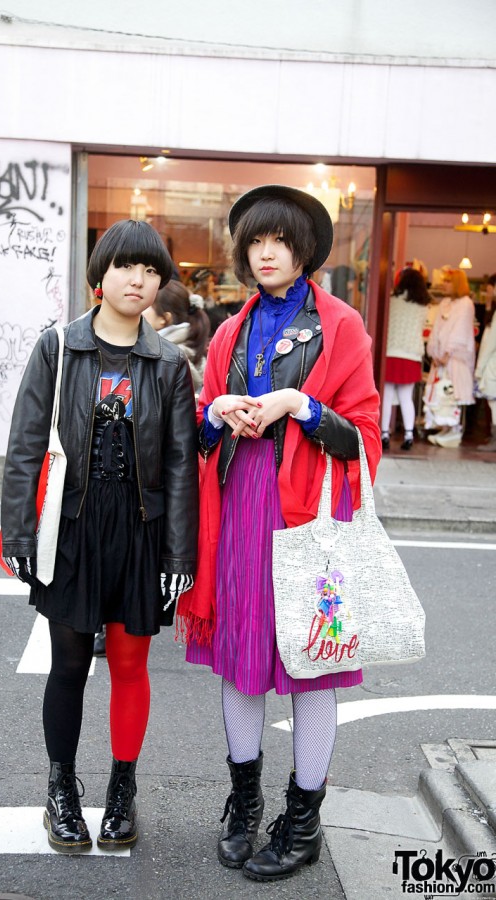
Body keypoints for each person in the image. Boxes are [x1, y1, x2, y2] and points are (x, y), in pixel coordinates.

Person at [177, 185, 380, 882]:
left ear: (304, 252)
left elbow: (364, 438)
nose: (266, 252)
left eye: (281, 241)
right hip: (237, 509)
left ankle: (303, 819)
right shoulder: (229, 329)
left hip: (310, 517)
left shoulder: (341, 325)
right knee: (240, 658)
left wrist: (300, 404)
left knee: (310, 661)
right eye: (256, 241)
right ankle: (243, 801)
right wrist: (218, 411)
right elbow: (201, 424)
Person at [0, 219, 199, 854]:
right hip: (73, 524)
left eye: (150, 271)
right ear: (99, 275)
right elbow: (26, 444)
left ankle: (121, 789)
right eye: (124, 267)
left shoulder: (169, 364)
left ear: (160, 284)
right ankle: (60, 788)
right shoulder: (58, 347)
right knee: (67, 665)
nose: (137, 280)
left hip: (139, 531)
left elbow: (177, 466)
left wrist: (178, 553)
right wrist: (19, 534)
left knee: (131, 664)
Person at [381, 267, 431, 451]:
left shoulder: (392, 301)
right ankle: (409, 435)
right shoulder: (423, 307)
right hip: (411, 354)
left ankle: (384, 434)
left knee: (385, 397)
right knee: (406, 397)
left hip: (391, 352)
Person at [425, 268, 476, 448]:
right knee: (439, 394)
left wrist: (448, 352)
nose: (444, 284)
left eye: (448, 281)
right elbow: (436, 329)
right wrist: (435, 352)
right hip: (440, 359)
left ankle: (454, 430)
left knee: (451, 393)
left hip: (454, 359)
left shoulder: (466, 304)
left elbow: (460, 332)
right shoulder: (445, 302)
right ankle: (444, 427)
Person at [142, 279, 210, 393]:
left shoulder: (168, 355)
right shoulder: (180, 347)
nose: (140, 310)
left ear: (164, 318)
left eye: (147, 305)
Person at [474, 274, 496, 451]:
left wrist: (479, 369)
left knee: (494, 403)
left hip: (492, 365)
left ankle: (494, 440)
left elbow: (489, 344)